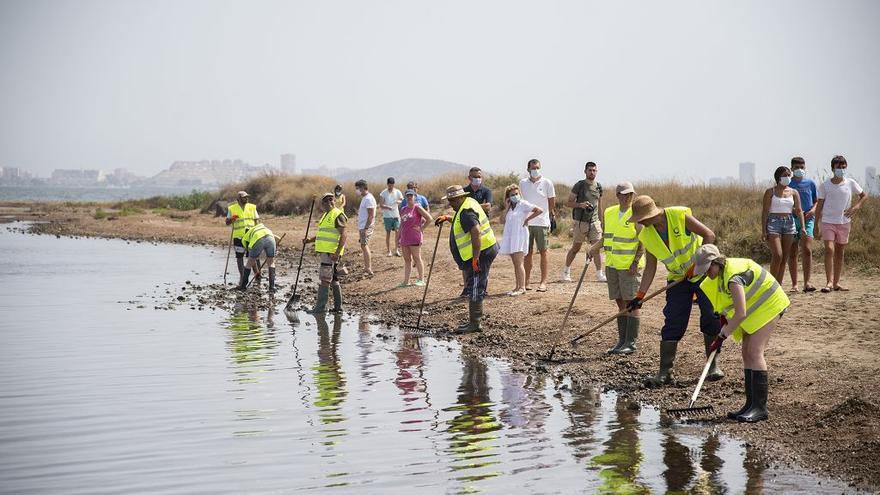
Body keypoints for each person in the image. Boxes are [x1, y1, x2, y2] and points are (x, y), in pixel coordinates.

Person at [627, 195, 723, 387]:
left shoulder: (679, 215)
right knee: (673, 321)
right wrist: (640, 296)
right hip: (678, 280)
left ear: (652, 214)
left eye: (642, 219)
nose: (641, 223)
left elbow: (709, 235)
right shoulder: (646, 234)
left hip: (703, 274)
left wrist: (698, 264)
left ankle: (712, 366)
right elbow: (650, 267)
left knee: (711, 318)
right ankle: (665, 372)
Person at [694, 244, 790, 423]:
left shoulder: (733, 278)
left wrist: (722, 335)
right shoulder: (720, 276)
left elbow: (740, 314)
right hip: (757, 309)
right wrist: (723, 319)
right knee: (746, 353)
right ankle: (750, 405)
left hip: (770, 304)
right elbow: (727, 304)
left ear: (716, 263)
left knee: (755, 352)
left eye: (708, 269)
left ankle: (760, 408)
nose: (707, 274)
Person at [586, 182, 644, 354]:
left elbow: (642, 241)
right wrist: (593, 248)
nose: (628, 197)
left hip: (629, 267)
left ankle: (630, 343)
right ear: (618, 195)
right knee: (620, 303)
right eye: (624, 194)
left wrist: (635, 263)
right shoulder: (609, 212)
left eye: (630, 194)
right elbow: (606, 238)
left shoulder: (637, 213)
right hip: (612, 265)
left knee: (632, 304)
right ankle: (622, 341)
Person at [435, 185, 498, 333]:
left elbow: (475, 231)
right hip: (483, 250)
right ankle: (473, 320)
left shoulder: (465, 211)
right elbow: (464, 223)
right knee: (475, 284)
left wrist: (475, 258)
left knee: (475, 286)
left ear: (458, 198)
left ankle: (475, 324)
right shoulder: (467, 203)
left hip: (481, 252)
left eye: (451, 200)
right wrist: (448, 218)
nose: (449, 203)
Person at [815, 155, 867, 292]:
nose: (841, 169)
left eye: (844, 167)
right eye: (839, 167)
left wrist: (856, 207)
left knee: (839, 252)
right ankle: (829, 282)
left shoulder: (850, 183)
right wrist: (816, 224)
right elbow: (819, 205)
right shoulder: (825, 185)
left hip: (844, 222)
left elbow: (864, 195)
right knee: (829, 249)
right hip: (827, 221)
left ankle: (836, 283)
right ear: (833, 168)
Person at [302, 193, 347, 313]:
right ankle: (338, 308)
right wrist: (309, 240)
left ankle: (320, 308)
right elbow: (323, 234)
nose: (329, 202)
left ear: (335, 201)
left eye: (331, 199)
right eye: (325, 201)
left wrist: (337, 252)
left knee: (325, 279)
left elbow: (344, 235)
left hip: (331, 253)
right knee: (333, 279)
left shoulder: (337, 214)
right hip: (327, 252)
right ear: (322, 204)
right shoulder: (326, 215)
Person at [761, 166, 805, 285]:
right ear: (778, 177)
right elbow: (765, 211)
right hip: (774, 222)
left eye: (788, 175)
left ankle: (777, 286)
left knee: (785, 257)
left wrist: (803, 227)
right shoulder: (770, 191)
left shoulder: (794, 192)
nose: (787, 178)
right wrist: (763, 230)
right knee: (777, 255)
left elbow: (799, 210)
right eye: (784, 175)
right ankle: (770, 283)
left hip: (789, 222)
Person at [498, 184, 543, 296]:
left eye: (516, 194)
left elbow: (539, 210)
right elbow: (501, 220)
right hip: (511, 236)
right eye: (512, 195)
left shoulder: (523, 204)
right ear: (508, 197)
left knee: (519, 263)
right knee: (515, 263)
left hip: (520, 235)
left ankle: (522, 287)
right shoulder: (509, 208)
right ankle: (517, 286)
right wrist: (506, 207)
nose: (515, 196)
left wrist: (528, 219)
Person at [563, 161, 605, 282]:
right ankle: (566, 271)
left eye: (594, 170)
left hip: (594, 221)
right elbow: (568, 202)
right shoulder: (579, 185)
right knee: (576, 247)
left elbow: (599, 205)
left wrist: (601, 222)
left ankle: (599, 274)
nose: (592, 172)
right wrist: (580, 205)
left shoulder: (598, 186)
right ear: (585, 171)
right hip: (580, 222)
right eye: (590, 170)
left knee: (596, 247)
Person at [519, 159, 556, 292]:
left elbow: (552, 203)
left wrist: (549, 217)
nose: (535, 170)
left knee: (543, 252)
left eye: (537, 167)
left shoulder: (547, 183)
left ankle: (543, 282)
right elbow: (520, 201)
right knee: (527, 253)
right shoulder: (522, 183)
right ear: (528, 169)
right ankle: (527, 281)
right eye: (533, 168)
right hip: (526, 223)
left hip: (542, 223)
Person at [787, 156, 819, 293]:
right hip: (792, 219)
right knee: (792, 252)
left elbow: (816, 201)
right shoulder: (788, 185)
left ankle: (807, 282)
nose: (799, 169)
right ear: (792, 168)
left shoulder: (810, 183)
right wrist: (793, 210)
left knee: (807, 249)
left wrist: (812, 211)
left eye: (802, 167)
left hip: (808, 219)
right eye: (796, 167)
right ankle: (794, 284)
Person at [398, 189, 434, 287]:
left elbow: (429, 218)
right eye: (408, 196)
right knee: (407, 260)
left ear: (415, 197)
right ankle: (406, 281)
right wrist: (398, 237)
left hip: (414, 237)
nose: (409, 197)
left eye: (411, 195)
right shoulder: (403, 209)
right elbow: (401, 224)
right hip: (405, 238)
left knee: (417, 258)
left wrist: (421, 228)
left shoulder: (417, 207)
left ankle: (421, 279)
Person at [225, 191, 260, 279]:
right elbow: (227, 222)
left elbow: (257, 221)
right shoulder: (232, 208)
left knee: (252, 256)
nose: (246, 198)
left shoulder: (252, 207)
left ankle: (257, 275)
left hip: (250, 236)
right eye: (244, 197)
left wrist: (258, 232)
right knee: (239, 257)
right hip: (238, 236)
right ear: (239, 199)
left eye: (247, 197)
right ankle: (243, 276)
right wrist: (232, 219)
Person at [238, 223, 278, 292]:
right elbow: (276, 238)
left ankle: (243, 285)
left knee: (249, 263)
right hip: (271, 238)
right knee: (271, 262)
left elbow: (248, 251)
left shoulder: (246, 236)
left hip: (258, 239)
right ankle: (272, 286)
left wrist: (252, 256)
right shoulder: (263, 228)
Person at [355, 179, 376, 276]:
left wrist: (366, 228)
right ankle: (367, 266)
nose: (357, 190)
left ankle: (368, 268)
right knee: (363, 245)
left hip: (366, 226)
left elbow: (371, 215)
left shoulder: (368, 199)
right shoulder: (365, 198)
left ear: (363, 188)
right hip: (363, 226)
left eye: (358, 188)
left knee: (364, 245)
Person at [379, 177, 404, 257]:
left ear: (394, 184)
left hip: (396, 215)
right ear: (387, 184)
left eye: (392, 185)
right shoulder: (383, 193)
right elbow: (381, 205)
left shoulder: (397, 191)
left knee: (397, 232)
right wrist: (387, 207)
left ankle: (396, 250)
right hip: (387, 216)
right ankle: (389, 251)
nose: (391, 187)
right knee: (388, 233)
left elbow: (401, 199)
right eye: (389, 185)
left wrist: (398, 201)